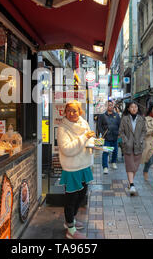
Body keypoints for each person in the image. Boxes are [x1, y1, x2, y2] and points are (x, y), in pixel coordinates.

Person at [58, 100, 95, 239]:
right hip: (72, 167)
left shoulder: (83, 123)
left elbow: (89, 139)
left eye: (75, 110)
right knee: (71, 199)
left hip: (84, 165)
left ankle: (70, 220)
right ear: (65, 112)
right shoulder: (63, 128)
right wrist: (84, 137)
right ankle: (70, 230)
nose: (72, 113)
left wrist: (93, 143)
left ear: (80, 111)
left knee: (82, 195)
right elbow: (67, 149)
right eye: (69, 111)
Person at [119, 100, 147, 196]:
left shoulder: (142, 119)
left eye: (135, 107)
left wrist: (141, 139)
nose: (134, 109)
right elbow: (121, 132)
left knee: (135, 166)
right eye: (132, 107)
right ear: (128, 109)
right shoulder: (124, 119)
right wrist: (125, 140)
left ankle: (130, 183)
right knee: (130, 165)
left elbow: (144, 131)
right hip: (128, 146)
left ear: (137, 108)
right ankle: (131, 184)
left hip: (139, 146)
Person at [97, 100, 121, 174]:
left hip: (115, 136)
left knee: (115, 151)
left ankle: (113, 162)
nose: (109, 106)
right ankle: (105, 167)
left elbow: (120, 125)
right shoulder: (102, 115)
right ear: (106, 106)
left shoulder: (117, 115)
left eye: (111, 105)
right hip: (107, 138)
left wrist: (119, 133)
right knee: (106, 152)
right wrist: (103, 133)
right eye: (108, 105)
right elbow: (99, 126)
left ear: (113, 106)